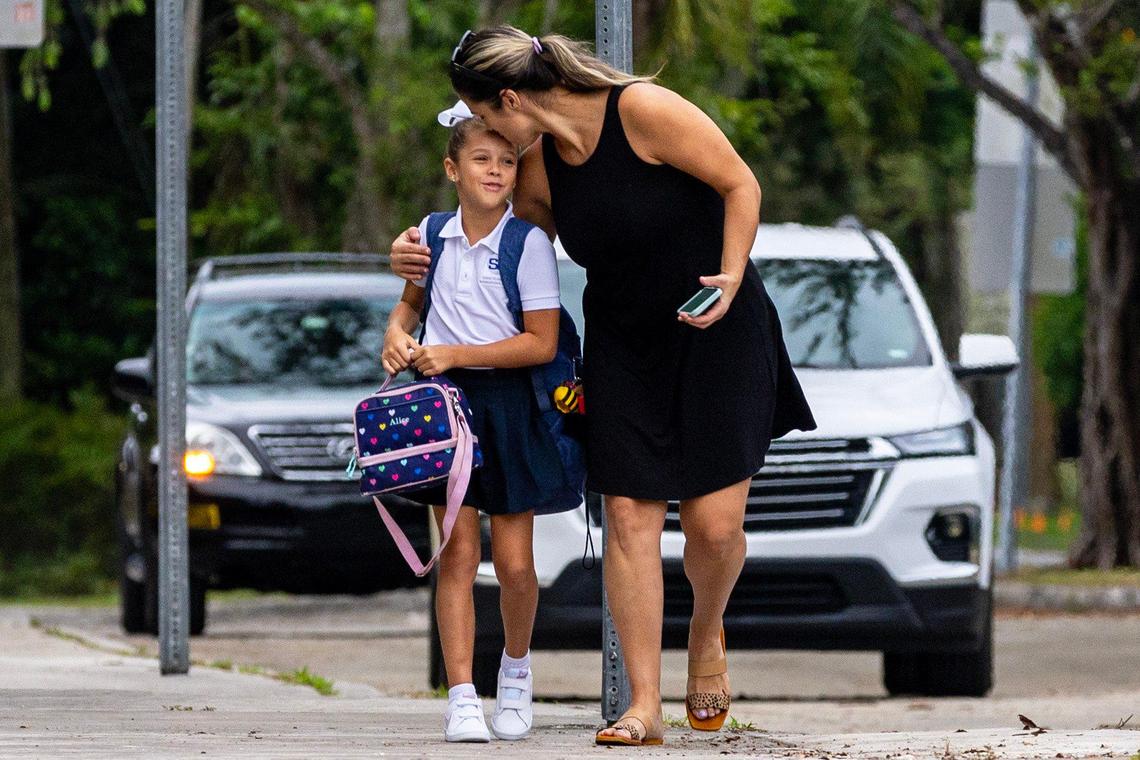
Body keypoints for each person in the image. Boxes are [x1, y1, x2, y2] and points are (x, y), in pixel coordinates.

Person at [389, 27, 816, 747]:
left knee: (714, 530)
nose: (487, 132)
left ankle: (707, 633)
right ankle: (644, 704)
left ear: (513, 98)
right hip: (623, 346)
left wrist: (733, 272)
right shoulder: (541, 166)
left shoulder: (643, 110)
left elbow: (740, 182)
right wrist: (416, 250)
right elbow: (493, 241)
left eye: (487, 117)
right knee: (628, 516)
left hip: (716, 328)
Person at [381, 113, 576, 743]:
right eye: (481, 160)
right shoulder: (431, 235)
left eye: (507, 162)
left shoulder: (529, 246)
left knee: (516, 562)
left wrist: (459, 355)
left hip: (510, 406)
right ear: (451, 169)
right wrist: (394, 333)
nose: (495, 172)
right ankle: (462, 693)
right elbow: (412, 306)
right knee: (456, 554)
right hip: (443, 410)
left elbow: (541, 344)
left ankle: (515, 672)